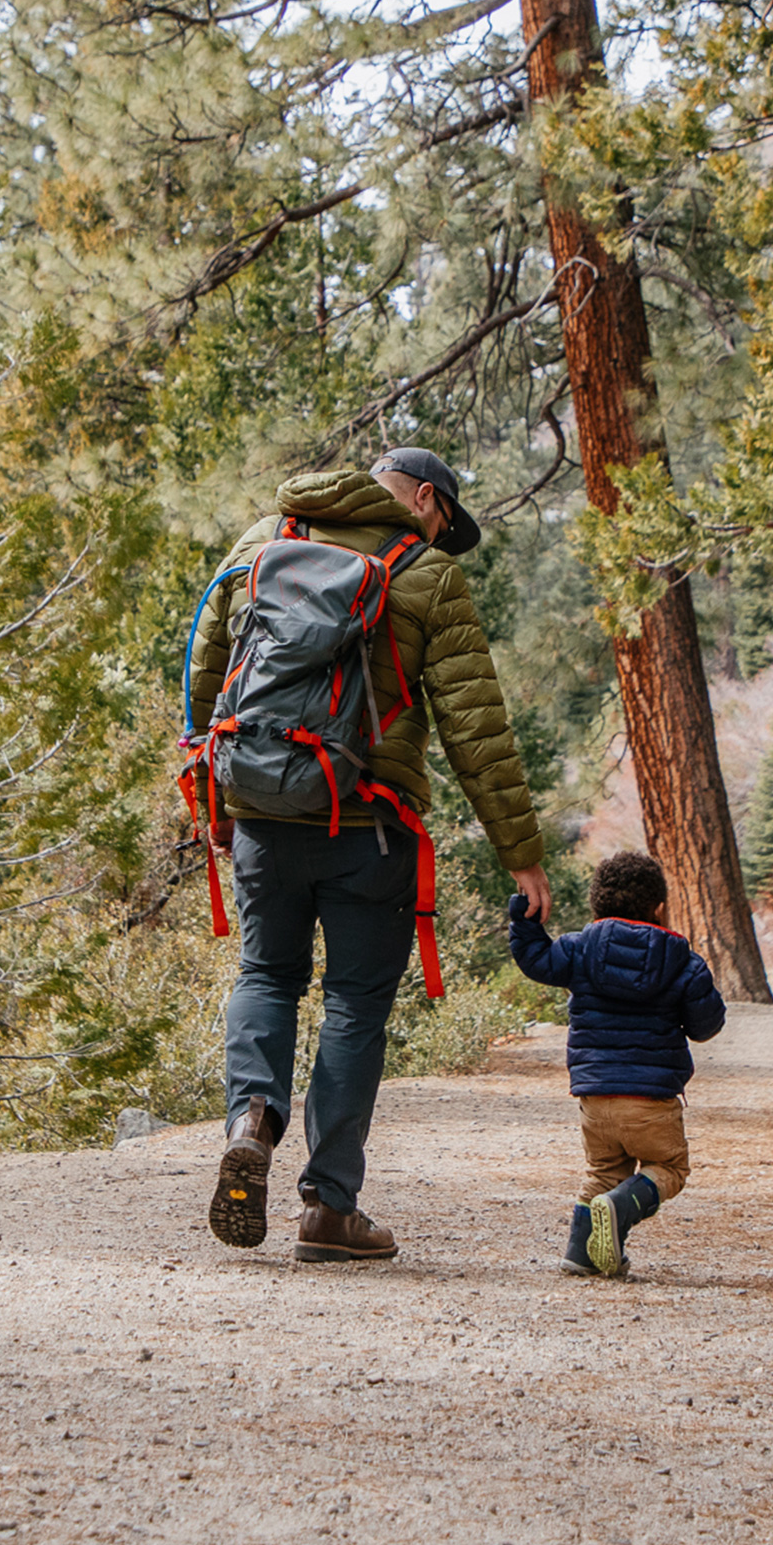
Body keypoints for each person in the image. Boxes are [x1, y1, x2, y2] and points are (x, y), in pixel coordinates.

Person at [187, 449, 552, 1262]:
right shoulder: (426, 575)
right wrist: (520, 855)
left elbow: (208, 677)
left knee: (265, 975)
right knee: (354, 1007)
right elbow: (476, 731)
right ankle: (328, 1208)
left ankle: (252, 1119)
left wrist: (215, 800)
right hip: (369, 829)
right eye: (442, 522)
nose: (439, 536)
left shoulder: (261, 539)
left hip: (260, 813)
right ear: (425, 499)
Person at [508, 850, 727, 1277]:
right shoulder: (681, 960)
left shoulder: (578, 948)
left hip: (595, 1095)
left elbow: (535, 958)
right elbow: (706, 1026)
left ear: (597, 902)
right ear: (659, 907)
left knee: (603, 1171)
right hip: (652, 1099)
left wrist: (524, 916)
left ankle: (581, 1253)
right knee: (669, 1168)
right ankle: (623, 1205)